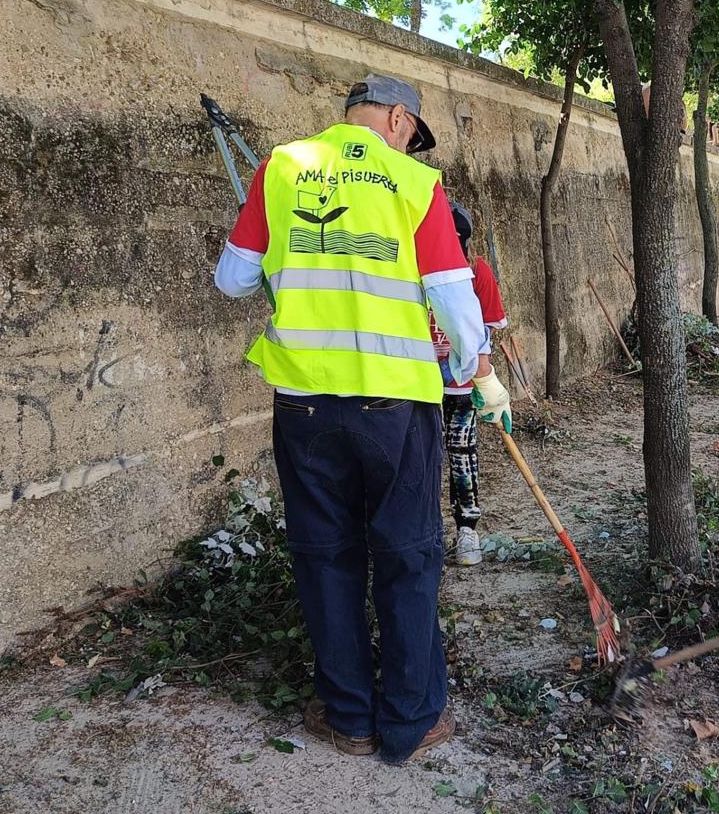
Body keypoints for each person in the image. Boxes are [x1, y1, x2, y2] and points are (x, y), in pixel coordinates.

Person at [213, 74, 513, 764]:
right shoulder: (413, 184)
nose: (412, 141)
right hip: (394, 406)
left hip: (306, 404)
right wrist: (477, 372)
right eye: (413, 131)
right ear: (400, 120)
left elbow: (232, 280)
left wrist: (281, 263)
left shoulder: (280, 169)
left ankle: (349, 718)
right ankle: (412, 722)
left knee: (326, 557)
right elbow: (452, 294)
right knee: (407, 557)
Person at [431, 201, 508, 566]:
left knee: (462, 453)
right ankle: (428, 534)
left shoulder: (477, 272)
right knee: (424, 458)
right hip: (416, 385)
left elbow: (488, 330)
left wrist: (487, 383)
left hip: (461, 385)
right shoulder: (410, 270)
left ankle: (467, 530)